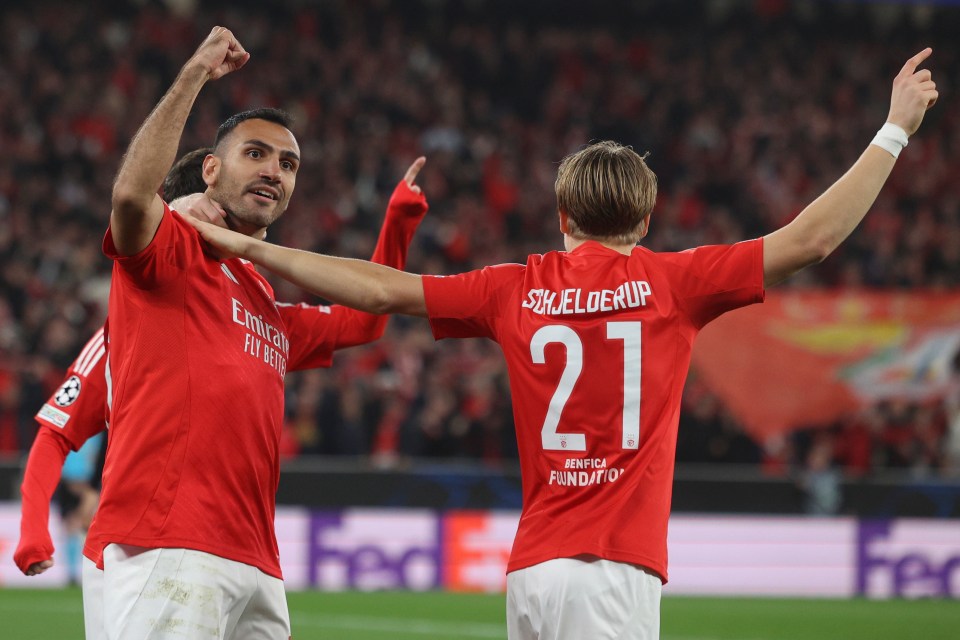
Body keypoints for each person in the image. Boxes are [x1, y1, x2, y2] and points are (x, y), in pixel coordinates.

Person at [188, 49, 938, 639]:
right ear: (643, 222)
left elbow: (379, 289)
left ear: (560, 214)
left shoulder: (514, 286)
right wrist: (894, 128)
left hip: (535, 574)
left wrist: (249, 248)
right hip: (612, 569)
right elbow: (813, 237)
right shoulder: (675, 282)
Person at [87, 26, 427, 639]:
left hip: (256, 563)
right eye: (257, 154)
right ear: (211, 170)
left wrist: (397, 225)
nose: (275, 171)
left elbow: (366, 321)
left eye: (289, 164)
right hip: (170, 542)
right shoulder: (170, 253)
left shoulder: (264, 300)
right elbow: (133, 197)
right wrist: (195, 74)